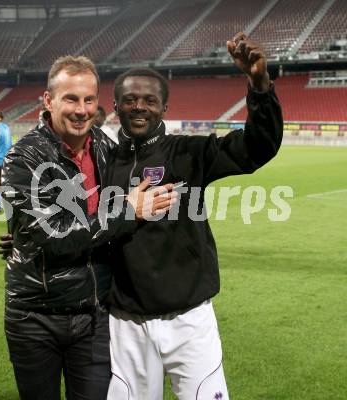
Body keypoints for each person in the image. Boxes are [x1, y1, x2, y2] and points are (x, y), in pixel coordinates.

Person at [105, 32, 283, 400]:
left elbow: (257, 147)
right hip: (127, 324)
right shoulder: (102, 161)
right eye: (130, 99)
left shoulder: (189, 153)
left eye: (149, 100)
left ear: (164, 108)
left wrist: (259, 85)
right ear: (116, 105)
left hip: (190, 322)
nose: (139, 106)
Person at [0, 55, 176, 400]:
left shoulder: (110, 149)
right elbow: (53, 235)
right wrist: (127, 211)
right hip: (36, 318)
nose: (81, 110)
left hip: (95, 318)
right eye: (71, 98)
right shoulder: (23, 158)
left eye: (89, 100)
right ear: (48, 101)